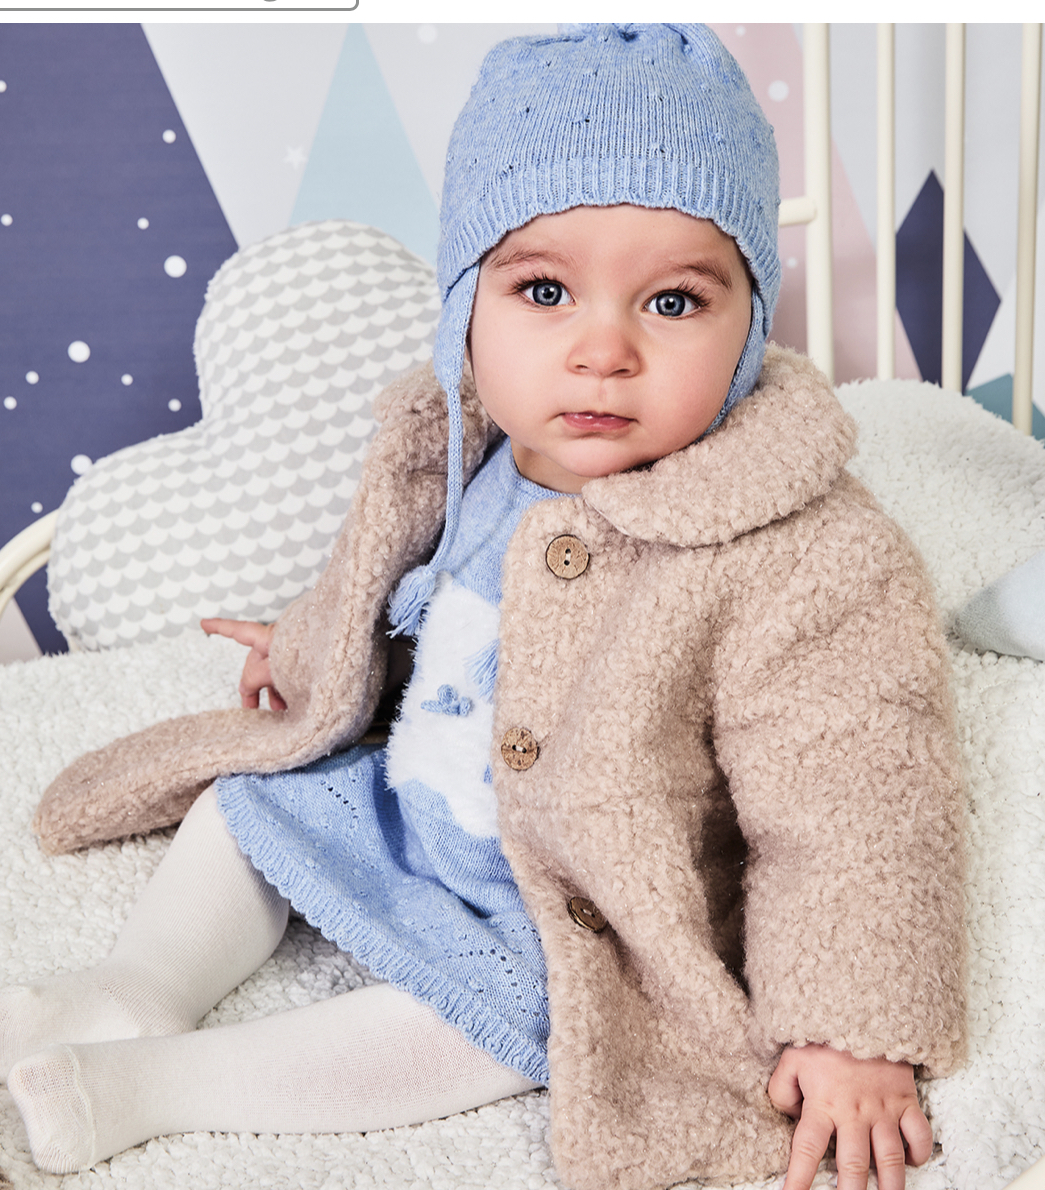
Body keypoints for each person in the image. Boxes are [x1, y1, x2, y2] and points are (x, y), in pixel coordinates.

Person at [2, 24, 966, 1190]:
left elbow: (860, 793)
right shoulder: (455, 446)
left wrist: (852, 1024)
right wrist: (308, 642)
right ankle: (137, 985)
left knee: (516, 1019)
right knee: (249, 802)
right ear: (466, 303)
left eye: (672, 301)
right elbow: (379, 582)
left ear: (751, 324)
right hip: (414, 806)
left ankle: (153, 1088)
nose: (602, 349)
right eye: (544, 290)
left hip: (572, 895)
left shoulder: (803, 549)